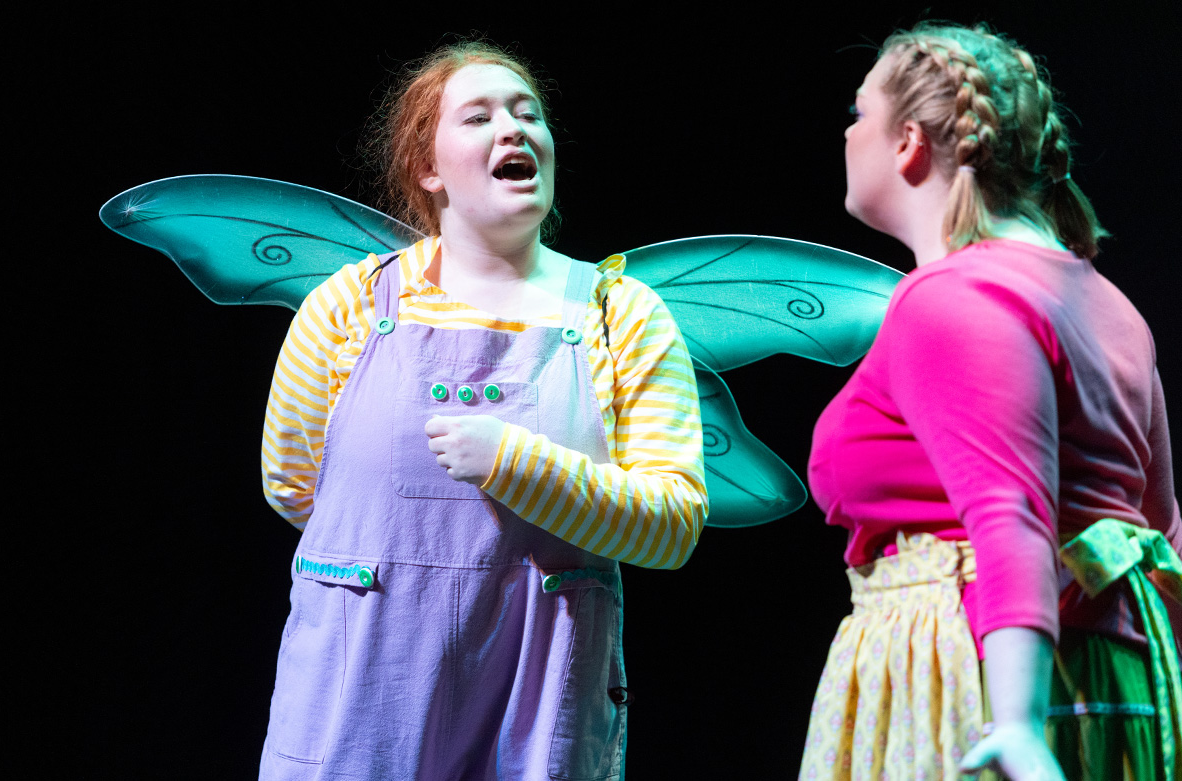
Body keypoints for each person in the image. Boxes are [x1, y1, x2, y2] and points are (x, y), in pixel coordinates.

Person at [256, 42, 707, 779]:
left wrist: (514, 465)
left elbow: (672, 521)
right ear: (428, 169)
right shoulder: (343, 308)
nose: (514, 129)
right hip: (362, 705)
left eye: (529, 114)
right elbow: (296, 486)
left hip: (535, 710)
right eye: (479, 116)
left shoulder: (619, 313)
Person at [800, 22, 1181, 781]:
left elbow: (1010, 514)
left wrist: (1017, 725)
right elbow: (1162, 528)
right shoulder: (1106, 302)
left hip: (976, 671)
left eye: (857, 113)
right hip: (1110, 672)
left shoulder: (951, 297)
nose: (847, 134)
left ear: (908, 141)